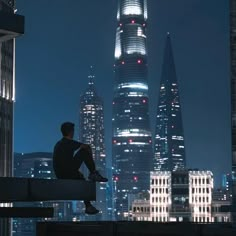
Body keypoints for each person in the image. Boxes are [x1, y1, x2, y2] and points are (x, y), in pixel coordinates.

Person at [53, 121, 108, 215]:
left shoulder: (58, 144)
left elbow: (63, 162)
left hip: (60, 174)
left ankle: (88, 206)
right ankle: (93, 173)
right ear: (71, 132)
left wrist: (76, 172)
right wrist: (89, 156)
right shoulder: (68, 142)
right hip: (67, 173)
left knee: (81, 179)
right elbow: (86, 147)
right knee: (84, 151)